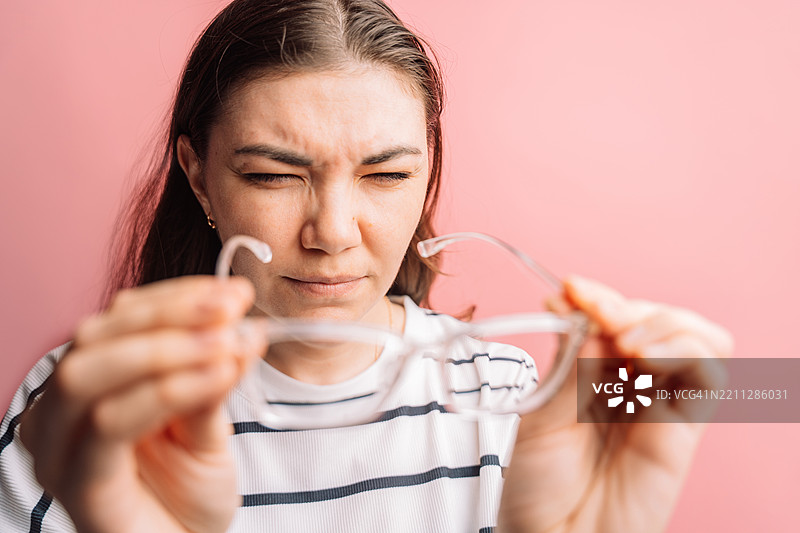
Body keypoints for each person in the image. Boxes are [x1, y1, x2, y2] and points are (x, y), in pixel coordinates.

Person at [0, 0, 733, 531]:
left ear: (428, 175)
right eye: (271, 175)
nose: (333, 233)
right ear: (199, 178)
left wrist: (720, 375)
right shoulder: (88, 411)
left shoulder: (511, 397)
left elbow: (762, 388)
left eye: (385, 177)